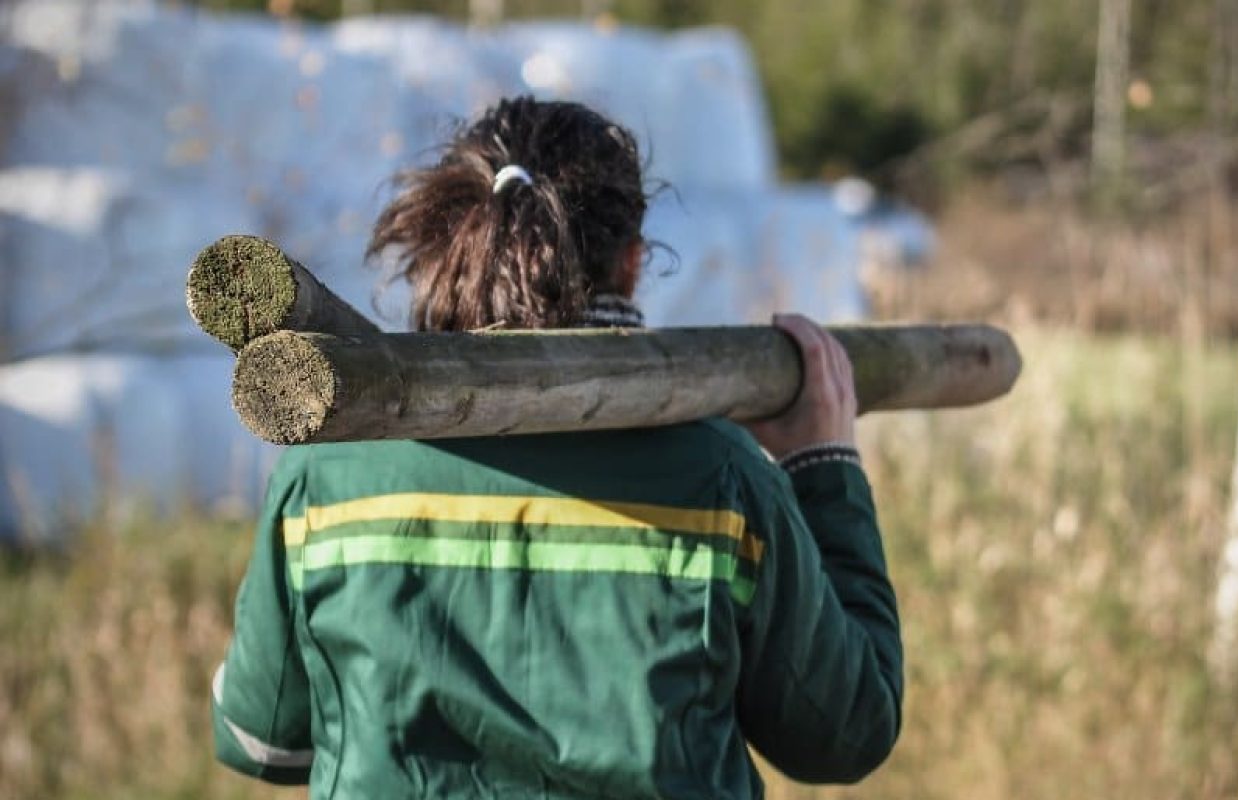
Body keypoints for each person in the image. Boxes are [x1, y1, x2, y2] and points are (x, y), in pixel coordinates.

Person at [211, 96, 903, 799]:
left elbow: (258, 738)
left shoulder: (326, 474)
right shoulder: (720, 479)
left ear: (443, 251)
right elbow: (845, 734)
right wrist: (825, 469)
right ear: (631, 264)